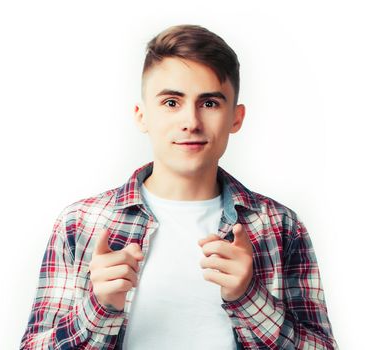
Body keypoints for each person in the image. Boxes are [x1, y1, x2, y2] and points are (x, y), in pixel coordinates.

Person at [20, 24, 337, 349]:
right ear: (142, 116)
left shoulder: (280, 226)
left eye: (210, 103)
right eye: (171, 102)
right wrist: (99, 307)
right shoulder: (80, 223)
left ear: (236, 118)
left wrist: (249, 298)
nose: (191, 121)